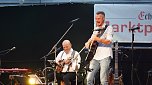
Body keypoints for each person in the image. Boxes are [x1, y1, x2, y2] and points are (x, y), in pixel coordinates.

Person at [85, 11, 113, 85]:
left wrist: (98, 39)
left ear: (103, 18)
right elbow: (91, 39)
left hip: (105, 56)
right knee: (89, 79)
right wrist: (88, 43)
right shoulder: (96, 29)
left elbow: (108, 41)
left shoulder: (108, 28)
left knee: (103, 80)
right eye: (96, 18)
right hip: (95, 56)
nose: (97, 20)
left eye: (99, 18)